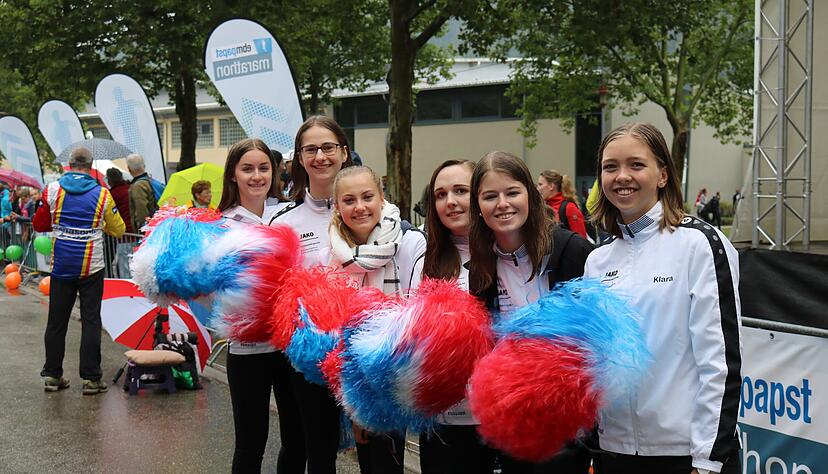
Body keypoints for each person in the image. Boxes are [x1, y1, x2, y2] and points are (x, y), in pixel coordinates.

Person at [584, 123, 741, 474]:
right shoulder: (598, 259)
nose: (622, 176)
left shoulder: (700, 243)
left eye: (636, 165)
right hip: (615, 452)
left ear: (663, 175)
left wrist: (707, 459)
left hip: (686, 454)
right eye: (610, 167)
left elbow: (719, 361)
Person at [469, 151, 594, 473]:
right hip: (515, 424)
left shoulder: (571, 251)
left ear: (530, 195)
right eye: (490, 196)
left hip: (570, 427)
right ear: (478, 208)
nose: (502, 204)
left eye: (512, 192)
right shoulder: (481, 267)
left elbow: (595, 337)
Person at [269, 115, 355, 474]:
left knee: (377, 451)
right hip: (310, 356)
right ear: (299, 159)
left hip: (362, 351)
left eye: (328, 147)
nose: (320, 156)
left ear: (344, 152)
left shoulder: (373, 211)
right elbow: (274, 294)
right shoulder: (284, 222)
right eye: (311, 149)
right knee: (316, 451)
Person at [327, 165, 426, 474]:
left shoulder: (411, 242)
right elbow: (333, 325)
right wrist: (356, 400)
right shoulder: (330, 253)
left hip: (396, 373)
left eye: (368, 197)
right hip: (350, 377)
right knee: (368, 464)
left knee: (387, 464)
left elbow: (416, 311)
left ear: (382, 199)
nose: (359, 207)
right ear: (338, 206)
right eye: (349, 200)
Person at [217, 138, 302, 474]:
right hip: (247, 350)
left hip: (290, 347)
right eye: (247, 168)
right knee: (250, 445)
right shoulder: (220, 224)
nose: (256, 176)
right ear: (233, 175)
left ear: (275, 171)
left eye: (263, 168)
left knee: (297, 441)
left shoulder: (288, 215)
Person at [417, 159, 498, 473]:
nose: (449, 202)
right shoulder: (422, 258)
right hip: (441, 419)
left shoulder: (505, 251)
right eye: (440, 194)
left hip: (495, 417)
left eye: (460, 191)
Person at [32, 147, 125, 394]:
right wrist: (101, 224)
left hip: (61, 266)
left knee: (56, 321)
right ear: (90, 165)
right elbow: (118, 229)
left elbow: (39, 223)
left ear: (70, 164)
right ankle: (92, 379)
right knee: (91, 321)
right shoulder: (102, 194)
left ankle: (52, 375)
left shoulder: (52, 189)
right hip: (91, 267)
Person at [536, 169, 588, 238]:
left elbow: (581, 240)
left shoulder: (569, 208)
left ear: (551, 186)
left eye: (540, 184)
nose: (537, 188)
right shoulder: (542, 207)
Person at [127, 154, 159, 232]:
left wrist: (143, 230)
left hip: (149, 231)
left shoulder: (138, 186)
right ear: (144, 166)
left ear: (129, 169)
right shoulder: (150, 181)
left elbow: (142, 212)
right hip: (157, 226)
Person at [106, 168, 133, 233]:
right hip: (136, 229)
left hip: (123, 231)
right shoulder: (131, 188)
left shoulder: (111, 195)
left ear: (110, 180)